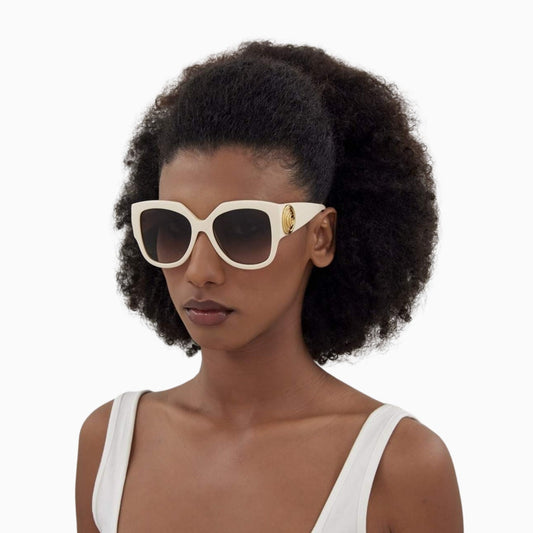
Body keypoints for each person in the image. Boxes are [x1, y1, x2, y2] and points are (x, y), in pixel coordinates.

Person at [75, 40, 463, 532]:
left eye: (242, 229)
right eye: (172, 227)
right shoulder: (111, 444)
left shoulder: (399, 466)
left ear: (320, 237)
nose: (200, 271)